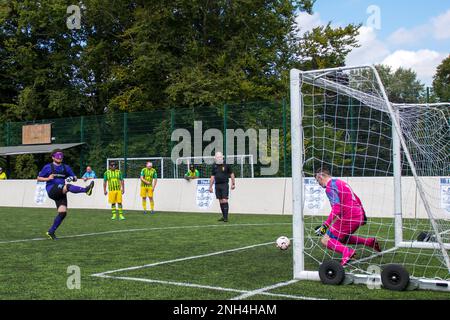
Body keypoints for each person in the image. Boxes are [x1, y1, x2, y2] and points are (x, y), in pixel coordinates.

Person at [314, 168, 380, 266]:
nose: (318, 183)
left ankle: (347, 252)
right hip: (357, 214)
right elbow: (356, 198)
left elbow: (337, 209)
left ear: (320, 176)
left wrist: (325, 226)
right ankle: (369, 242)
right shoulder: (341, 182)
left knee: (325, 240)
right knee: (341, 238)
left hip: (349, 216)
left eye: (317, 180)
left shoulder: (329, 187)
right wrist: (363, 214)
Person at [37, 149, 94, 240]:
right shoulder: (47, 167)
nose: (60, 158)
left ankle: (51, 232)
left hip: (61, 191)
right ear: (53, 157)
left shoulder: (66, 167)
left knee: (62, 212)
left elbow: (75, 177)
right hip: (52, 189)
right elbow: (39, 178)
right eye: (57, 156)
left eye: (61, 156)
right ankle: (86, 190)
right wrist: (48, 178)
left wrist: (72, 178)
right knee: (67, 187)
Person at [209, 152, 235, 222]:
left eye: (220, 157)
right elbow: (212, 177)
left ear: (222, 157)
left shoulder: (226, 165)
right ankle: (223, 216)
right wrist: (210, 186)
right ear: (215, 158)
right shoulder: (214, 166)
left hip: (224, 184)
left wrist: (233, 183)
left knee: (224, 200)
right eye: (217, 157)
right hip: (217, 185)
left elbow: (232, 174)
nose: (219, 158)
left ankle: (226, 218)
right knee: (220, 201)